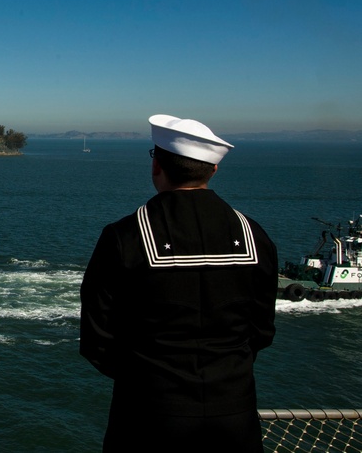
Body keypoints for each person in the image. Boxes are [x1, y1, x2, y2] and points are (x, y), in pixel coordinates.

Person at [80, 114, 277, 453]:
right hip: (234, 418)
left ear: (157, 165)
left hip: (146, 417)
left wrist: (144, 381)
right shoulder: (255, 236)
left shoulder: (123, 237)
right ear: (214, 170)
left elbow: (97, 338)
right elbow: (262, 330)